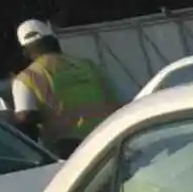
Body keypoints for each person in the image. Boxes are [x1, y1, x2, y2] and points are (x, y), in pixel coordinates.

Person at [10, 20, 120, 157]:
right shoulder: (89, 66)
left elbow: (25, 120)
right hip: (108, 142)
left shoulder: (27, 78)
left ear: (25, 52)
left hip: (68, 153)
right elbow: (117, 101)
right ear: (54, 41)